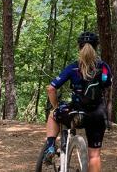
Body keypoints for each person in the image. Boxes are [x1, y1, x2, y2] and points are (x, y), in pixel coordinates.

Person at [43, 31, 112, 172]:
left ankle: (50, 146)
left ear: (79, 47)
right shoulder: (104, 67)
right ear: (96, 47)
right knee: (94, 155)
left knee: (53, 114)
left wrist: (56, 106)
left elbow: (51, 89)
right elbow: (107, 84)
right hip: (98, 116)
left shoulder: (73, 67)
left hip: (76, 114)